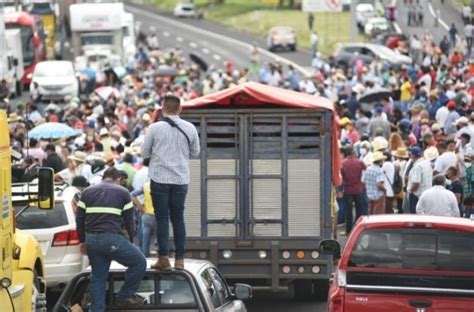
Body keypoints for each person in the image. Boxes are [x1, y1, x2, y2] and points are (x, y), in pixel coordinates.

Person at [142, 94, 200, 270]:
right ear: (180, 109)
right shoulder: (190, 128)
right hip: (180, 179)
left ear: (163, 109)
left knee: (162, 219)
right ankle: (180, 260)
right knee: (178, 218)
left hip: (159, 179)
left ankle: (164, 258)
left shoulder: (154, 128)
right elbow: (195, 152)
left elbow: (145, 152)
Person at [76, 167, 146, 310]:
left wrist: (82, 241)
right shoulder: (123, 192)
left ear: (104, 177)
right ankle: (125, 295)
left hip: (91, 241)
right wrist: (131, 241)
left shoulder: (87, 192)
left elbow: (80, 219)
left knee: (98, 278)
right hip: (110, 239)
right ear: (118, 179)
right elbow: (129, 221)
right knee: (139, 262)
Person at [340, 145, 366, 234]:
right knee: (359, 209)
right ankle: (358, 229)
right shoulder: (360, 162)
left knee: (348, 210)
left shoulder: (343, 163)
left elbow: (341, 178)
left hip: (347, 189)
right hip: (358, 189)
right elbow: (366, 170)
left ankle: (348, 230)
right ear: (353, 152)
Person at [407, 146, 433, 213]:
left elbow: (416, 183)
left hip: (417, 196)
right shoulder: (427, 163)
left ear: (413, 155)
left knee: (415, 216)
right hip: (428, 194)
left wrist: (410, 191)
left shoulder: (418, 166)